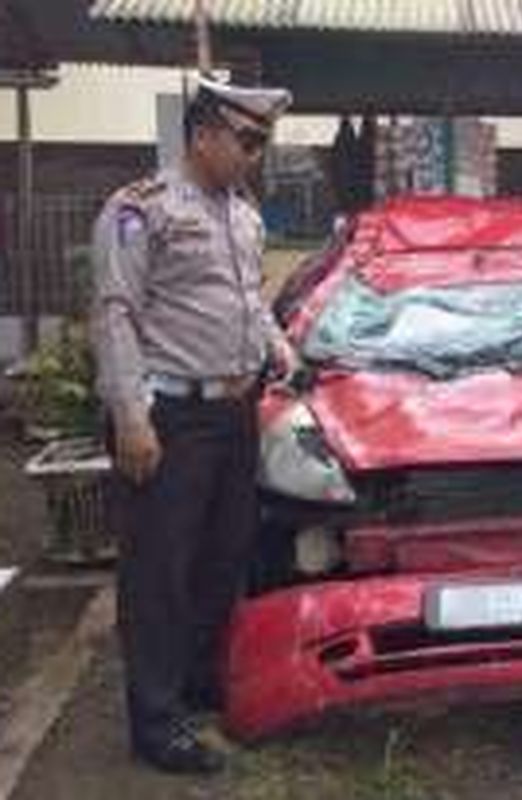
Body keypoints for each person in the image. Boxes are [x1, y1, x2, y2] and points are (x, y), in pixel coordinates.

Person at [90, 75, 296, 774]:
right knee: (159, 572)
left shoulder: (241, 212)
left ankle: (200, 687)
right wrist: (130, 418)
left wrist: (277, 342)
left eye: (262, 143)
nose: (255, 155)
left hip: (233, 412)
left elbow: (247, 297)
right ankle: (155, 722)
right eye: (246, 140)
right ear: (203, 133)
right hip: (169, 414)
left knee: (222, 556)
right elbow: (115, 313)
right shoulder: (139, 210)